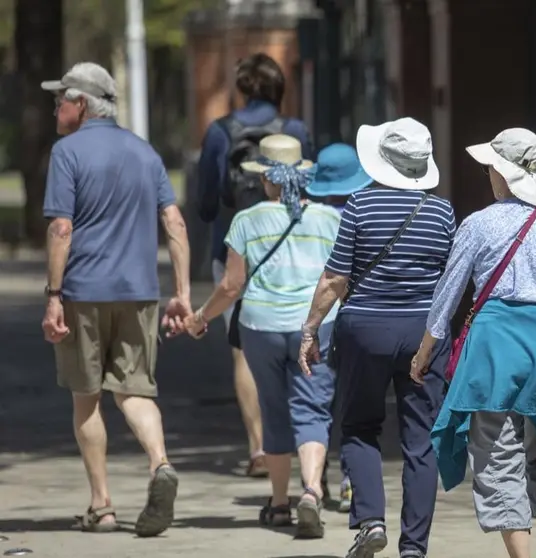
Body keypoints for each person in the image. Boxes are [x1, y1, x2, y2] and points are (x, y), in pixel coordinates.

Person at [415, 128, 536, 558]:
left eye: (491, 167)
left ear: (503, 173)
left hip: (495, 351)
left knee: (497, 456)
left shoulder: (478, 224)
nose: (487, 174)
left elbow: (447, 295)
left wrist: (424, 352)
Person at [40, 62, 189, 536]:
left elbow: (61, 228)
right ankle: (160, 463)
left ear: (81, 104)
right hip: (140, 293)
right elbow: (176, 224)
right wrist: (182, 294)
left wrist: (53, 295)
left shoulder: (67, 152)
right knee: (134, 391)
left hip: (83, 292)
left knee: (87, 398)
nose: (55, 106)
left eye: (60, 98)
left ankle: (102, 506)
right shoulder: (145, 153)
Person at [298, 117, 456, 558]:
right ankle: (414, 548)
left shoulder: (359, 207)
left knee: (359, 426)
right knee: (421, 440)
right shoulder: (442, 211)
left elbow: (334, 280)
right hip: (423, 332)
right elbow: (451, 278)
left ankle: (370, 521)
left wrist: (310, 330)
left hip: (364, 329)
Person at [181, 134, 341, 538]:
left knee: (273, 411)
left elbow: (232, 286)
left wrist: (201, 316)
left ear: (265, 179)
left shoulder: (246, 221)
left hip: (261, 327)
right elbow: (341, 278)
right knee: (313, 410)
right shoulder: (328, 219)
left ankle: (280, 503)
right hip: (315, 327)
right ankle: (311, 491)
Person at [197, 53, 314, 477]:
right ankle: (303, 447)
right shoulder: (295, 130)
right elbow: (311, 190)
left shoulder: (219, 131)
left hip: (235, 249)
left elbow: (207, 203)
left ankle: (259, 448)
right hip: (294, 251)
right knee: (300, 343)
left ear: (242, 91)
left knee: (244, 351)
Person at [304, 143, 376, 513]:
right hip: (347, 319)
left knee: (316, 407)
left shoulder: (307, 216)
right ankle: (351, 481)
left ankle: (315, 480)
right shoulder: (361, 214)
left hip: (312, 317)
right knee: (351, 404)